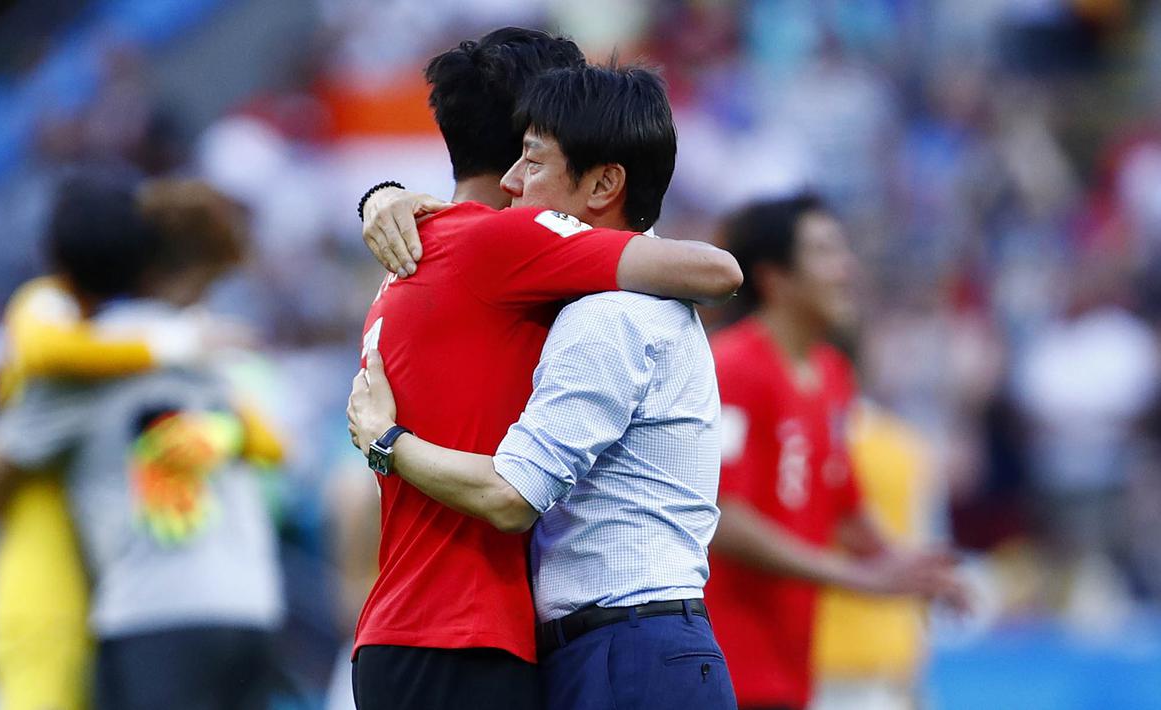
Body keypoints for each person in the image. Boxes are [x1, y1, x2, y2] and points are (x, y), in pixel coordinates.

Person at [347, 29, 741, 710]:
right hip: (468, 637)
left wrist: (380, 195)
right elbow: (716, 271)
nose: (514, 182)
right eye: (525, 150)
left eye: (534, 159)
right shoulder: (501, 246)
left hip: (419, 632)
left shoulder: (416, 256)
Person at [0, 175, 286, 710]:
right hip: (253, 609)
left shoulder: (82, 361)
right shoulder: (215, 351)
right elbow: (277, 446)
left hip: (151, 616)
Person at [702, 194, 967, 710]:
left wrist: (910, 567)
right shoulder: (731, 367)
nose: (847, 268)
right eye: (825, 252)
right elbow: (721, 517)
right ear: (775, 278)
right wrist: (856, 577)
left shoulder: (832, 375)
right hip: (727, 661)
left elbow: (843, 507)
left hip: (793, 663)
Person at [811, 399, 938, 710]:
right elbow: (926, 549)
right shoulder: (903, 443)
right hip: (890, 651)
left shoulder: (800, 436)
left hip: (816, 652)